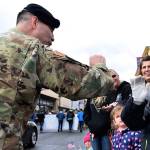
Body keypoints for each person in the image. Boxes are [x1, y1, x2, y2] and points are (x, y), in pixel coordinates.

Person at [0, 3, 114, 149]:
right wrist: (100, 67)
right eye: (51, 30)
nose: (53, 37)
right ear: (34, 22)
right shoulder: (32, 50)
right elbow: (84, 85)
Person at [121, 56, 150, 150]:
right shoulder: (138, 89)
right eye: (144, 67)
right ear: (141, 70)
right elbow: (126, 118)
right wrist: (136, 102)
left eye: (149, 66)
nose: (147, 69)